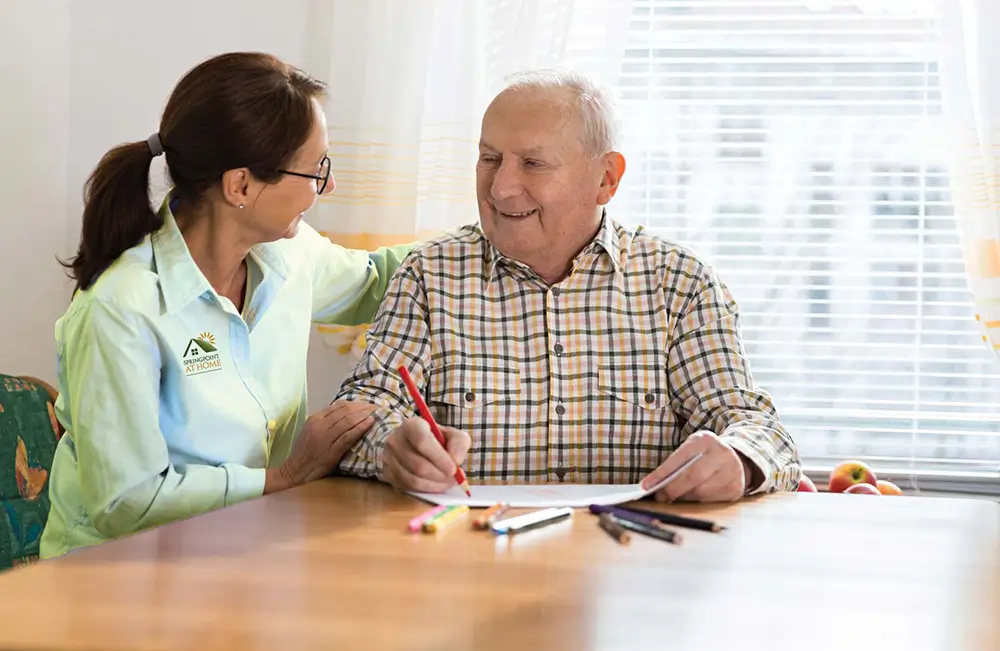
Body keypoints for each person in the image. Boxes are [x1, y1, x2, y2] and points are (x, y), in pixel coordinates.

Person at [336, 67, 801, 502]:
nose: (500, 187)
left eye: (533, 164)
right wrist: (389, 447)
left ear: (606, 179)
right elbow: (359, 416)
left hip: (630, 565)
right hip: (467, 561)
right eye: (490, 159)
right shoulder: (427, 275)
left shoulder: (680, 285)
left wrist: (739, 459)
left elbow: (755, 426)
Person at [41, 52, 412, 558]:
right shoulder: (120, 308)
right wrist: (285, 476)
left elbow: (378, 281)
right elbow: (127, 500)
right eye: (314, 170)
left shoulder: (288, 253)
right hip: (115, 579)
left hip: (242, 554)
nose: (325, 186)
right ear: (241, 185)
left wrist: (489, 230)